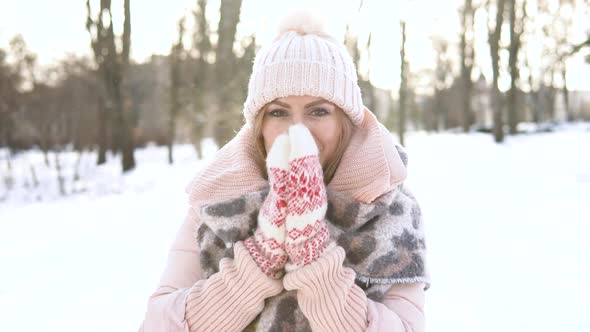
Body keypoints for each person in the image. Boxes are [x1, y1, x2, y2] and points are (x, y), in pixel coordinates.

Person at [139, 10, 430, 332]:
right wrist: (257, 263)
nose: (298, 130)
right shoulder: (216, 200)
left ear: (346, 121)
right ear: (258, 126)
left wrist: (315, 259)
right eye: (278, 112)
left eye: (319, 111)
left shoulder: (391, 208)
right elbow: (158, 324)